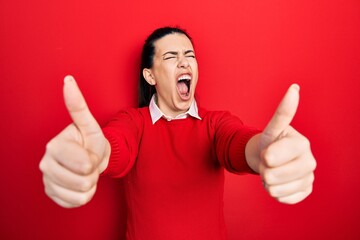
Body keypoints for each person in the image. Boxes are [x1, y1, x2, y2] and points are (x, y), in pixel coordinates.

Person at [39, 27, 316, 239]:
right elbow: (116, 146)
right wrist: (94, 156)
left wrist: (265, 153)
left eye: (190, 56)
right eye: (172, 57)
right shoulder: (133, 122)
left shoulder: (216, 123)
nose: (185, 63)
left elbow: (237, 143)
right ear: (150, 76)